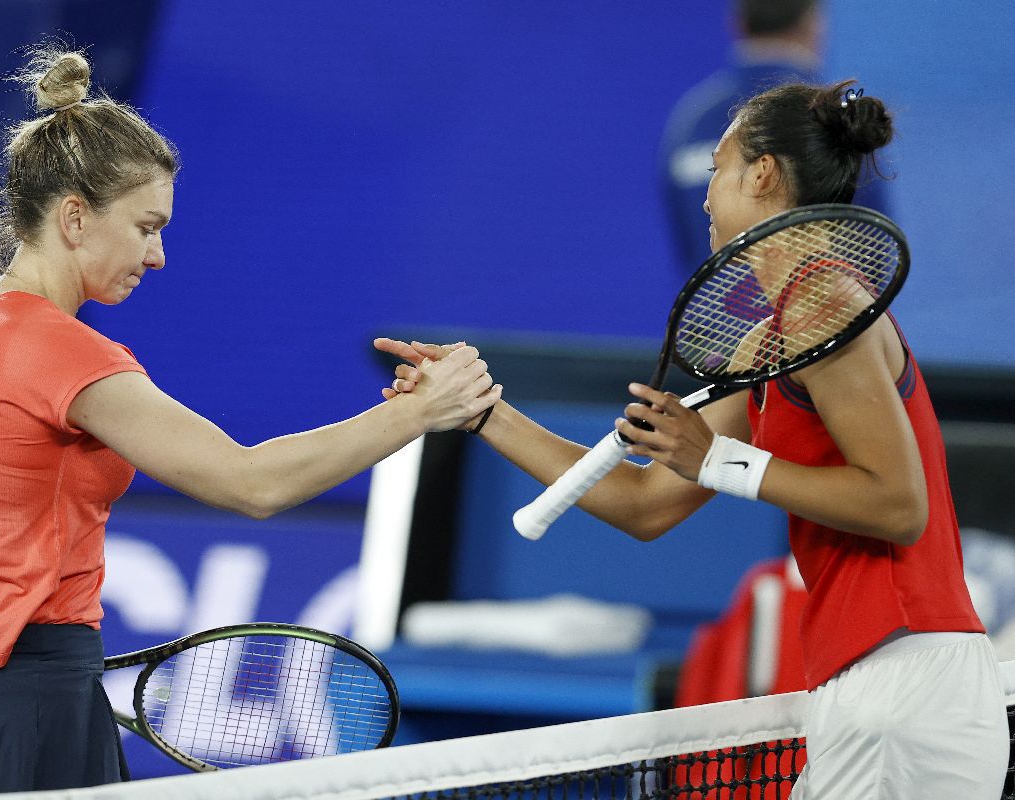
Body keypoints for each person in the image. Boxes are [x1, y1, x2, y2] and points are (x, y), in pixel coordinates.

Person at [0, 45, 500, 799]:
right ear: (74, 217)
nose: (160, 254)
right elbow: (252, 485)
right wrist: (421, 412)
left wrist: (8, 630)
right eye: (146, 226)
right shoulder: (65, 353)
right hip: (37, 720)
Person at [379, 80, 1008, 799]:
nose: (706, 195)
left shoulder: (824, 301)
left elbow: (899, 505)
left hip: (905, 680)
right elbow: (644, 502)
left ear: (763, 173)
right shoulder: (770, 341)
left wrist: (716, 458)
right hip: (867, 686)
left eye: (717, 165)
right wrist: (483, 410)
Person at [659, 0, 890, 276]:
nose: (708, 204)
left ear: (737, 23)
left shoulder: (689, 124)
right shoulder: (831, 122)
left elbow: (686, 244)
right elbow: (871, 248)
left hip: (719, 315)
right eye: (713, 169)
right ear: (813, 24)